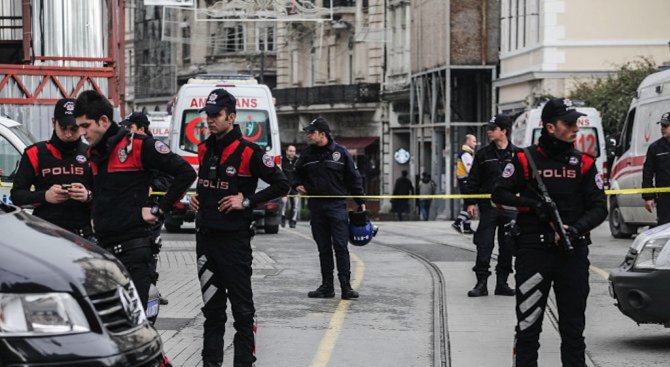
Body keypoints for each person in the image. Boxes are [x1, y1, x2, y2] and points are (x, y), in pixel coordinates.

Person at [492, 98, 607, 367]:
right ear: (550, 127)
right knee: (528, 328)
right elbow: (499, 194)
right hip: (533, 252)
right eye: (568, 123)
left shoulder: (585, 163)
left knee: (573, 331)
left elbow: (600, 207)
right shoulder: (524, 159)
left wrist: (575, 228)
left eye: (576, 122)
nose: (575, 128)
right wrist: (534, 206)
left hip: (572, 252)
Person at [187, 89, 288, 367]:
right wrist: (199, 199)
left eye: (216, 115)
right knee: (212, 311)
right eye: (207, 115)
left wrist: (247, 201)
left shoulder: (249, 152)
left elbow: (282, 184)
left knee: (243, 312)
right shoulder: (204, 148)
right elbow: (207, 184)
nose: (210, 120)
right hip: (205, 241)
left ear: (231, 117)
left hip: (235, 244)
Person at [73, 90, 196, 310]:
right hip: (103, 250)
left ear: (103, 121)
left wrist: (159, 209)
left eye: (85, 126)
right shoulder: (94, 153)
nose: (81, 132)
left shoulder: (137, 145)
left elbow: (185, 173)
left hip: (133, 252)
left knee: (131, 325)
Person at [294, 116, 366, 300]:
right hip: (317, 207)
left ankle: (346, 287)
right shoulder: (307, 154)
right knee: (323, 248)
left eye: (312, 132)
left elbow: (354, 178)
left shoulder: (341, 153)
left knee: (341, 246)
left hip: (336, 206)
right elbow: (294, 173)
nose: (309, 136)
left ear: (322, 134)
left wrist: (361, 202)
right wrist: (296, 185)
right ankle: (327, 287)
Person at [11, 98, 94, 239]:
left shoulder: (92, 154)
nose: (68, 134)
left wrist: (88, 195)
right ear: (53, 122)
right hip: (45, 234)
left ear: (81, 125)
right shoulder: (35, 152)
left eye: (74, 129)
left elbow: (108, 196)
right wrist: (45, 196)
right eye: (63, 127)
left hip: (83, 236)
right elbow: (16, 196)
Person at [121, 111, 174, 305]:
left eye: (130, 127)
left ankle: (150, 290)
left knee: (149, 250)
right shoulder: (127, 149)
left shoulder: (155, 149)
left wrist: (154, 187)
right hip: (131, 210)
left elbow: (170, 178)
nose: (126, 131)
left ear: (141, 129)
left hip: (151, 209)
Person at [464, 114, 517, 297]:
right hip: (488, 208)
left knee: (508, 246)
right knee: (484, 245)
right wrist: (470, 202)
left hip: (510, 209)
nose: (488, 132)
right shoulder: (482, 155)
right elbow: (472, 181)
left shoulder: (517, 154)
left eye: (493, 129)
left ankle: (502, 283)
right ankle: (481, 284)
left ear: (504, 131)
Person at [642, 112, 670, 226]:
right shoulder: (655, 148)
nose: (662, 128)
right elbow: (647, 173)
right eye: (661, 125)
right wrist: (648, 197)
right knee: (664, 229)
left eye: (666, 126)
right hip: (664, 198)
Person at [452, 134, 477, 233]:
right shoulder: (465, 154)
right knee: (470, 203)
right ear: (468, 141)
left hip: (464, 181)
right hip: (466, 181)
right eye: (474, 141)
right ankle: (457, 222)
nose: (476, 143)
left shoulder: (467, 153)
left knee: (468, 203)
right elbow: (470, 169)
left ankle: (466, 227)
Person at [281, 144, 299, 228]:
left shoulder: (298, 161)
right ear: (287, 151)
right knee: (283, 202)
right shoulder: (282, 160)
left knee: (295, 205)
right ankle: (282, 218)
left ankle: (293, 221)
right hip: (285, 186)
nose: (292, 153)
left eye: (294, 151)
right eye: (290, 151)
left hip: (295, 186)